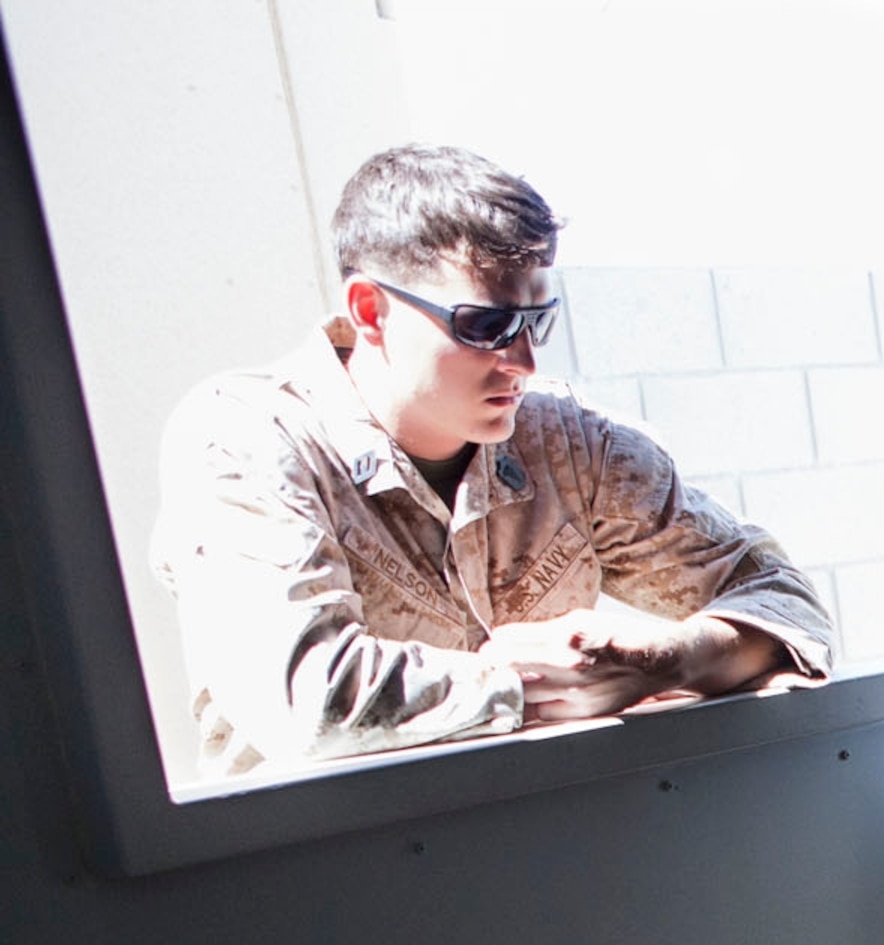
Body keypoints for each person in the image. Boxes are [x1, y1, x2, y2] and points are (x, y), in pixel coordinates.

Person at [150, 145, 832, 779]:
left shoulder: (570, 443)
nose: (525, 362)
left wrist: (657, 662)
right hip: (323, 880)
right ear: (370, 310)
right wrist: (521, 682)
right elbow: (309, 699)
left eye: (538, 321)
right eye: (485, 326)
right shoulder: (244, 440)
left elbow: (787, 603)